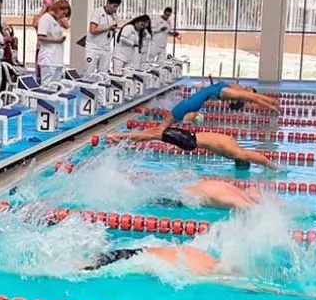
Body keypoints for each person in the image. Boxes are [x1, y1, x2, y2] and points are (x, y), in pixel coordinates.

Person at [79, 243, 316, 299]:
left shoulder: (207, 257)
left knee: (80, 265)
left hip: (134, 252)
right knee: (79, 271)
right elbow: (254, 286)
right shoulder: (210, 272)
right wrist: (304, 295)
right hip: (134, 262)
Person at [106, 126, 278, 170]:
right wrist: (273, 167)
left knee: (153, 134)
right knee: (152, 135)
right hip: (188, 141)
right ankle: (118, 137)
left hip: (189, 136)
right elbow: (255, 157)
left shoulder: (231, 142)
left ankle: (120, 137)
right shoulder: (236, 152)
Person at [159, 78, 280, 128]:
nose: (249, 89)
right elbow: (255, 98)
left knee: (161, 128)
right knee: (164, 127)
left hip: (189, 105)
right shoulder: (233, 88)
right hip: (190, 104)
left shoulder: (232, 93)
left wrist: (272, 103)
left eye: (250, 91)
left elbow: (256, 98)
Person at [151, 179, 263, 210]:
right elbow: (253, 209)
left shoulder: (239, 192)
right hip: (183, 198)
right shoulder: (231, 199)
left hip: (191, 189)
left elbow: (253, 189)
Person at [36, 0, 71, 87]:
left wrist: (61, 18)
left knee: (55, 87)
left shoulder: (57, 20)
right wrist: (57, 41)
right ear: (58, 9)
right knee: (47, 86)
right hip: (48, 58)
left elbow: (67, 26)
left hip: (57, 59)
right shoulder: (46, 18)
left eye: (66, 15)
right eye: (63, 14)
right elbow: (40, 37)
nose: (64, 17)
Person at [85, 0, 121, 75]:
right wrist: (108, 28)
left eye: (117, 7)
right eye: (114, 6)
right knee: (89, 73)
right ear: (108, 3)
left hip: (106, 49)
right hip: (93, 48)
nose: (115, 9)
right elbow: (92, 30)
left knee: (103, 75)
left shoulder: (115, 16)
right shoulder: (97, 12)